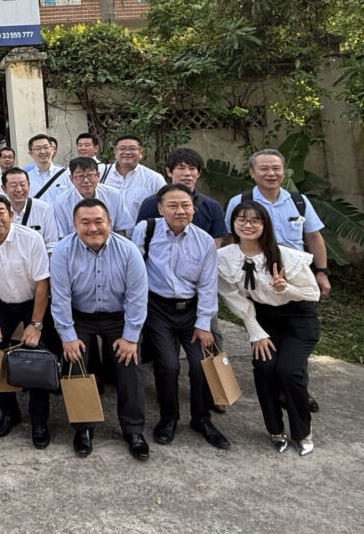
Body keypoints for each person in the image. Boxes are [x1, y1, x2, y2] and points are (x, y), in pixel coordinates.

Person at [132, 185, 230, 450]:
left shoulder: (204, 241)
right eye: (172, 205)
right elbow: (135, 269)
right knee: (168, 365)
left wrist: (203, 323)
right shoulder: (146, 230)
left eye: (186, 205)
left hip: (191, 309)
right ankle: (169, 418)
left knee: (200, 365)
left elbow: (208, 286)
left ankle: (201, 419)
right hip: (158, 308)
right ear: (160, 208)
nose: (180, 211)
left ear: (193, 209)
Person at [50, 199, 149, 461]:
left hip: (118, 316)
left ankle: (133, 430)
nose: (93, 228)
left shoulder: (128, 250)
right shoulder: (62, 251)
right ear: (74, 225)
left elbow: (137, 297)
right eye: (85, 222)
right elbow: (60, 298)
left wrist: (131, 337)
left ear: (110, 223)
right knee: (75, 364)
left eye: (98, 221)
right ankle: (83, 428)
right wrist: (68, 336)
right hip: (79, 316)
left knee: (129, 366)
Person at [219, 202, 320, 454]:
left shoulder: (285, 256)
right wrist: (255, 331)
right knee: (264, 368)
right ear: (233, 223)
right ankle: (275, 429)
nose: (248, 225)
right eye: (241, 219)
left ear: (265, 225)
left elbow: (313, 293)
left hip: (298, 318)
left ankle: (302, 431)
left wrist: (286, 288)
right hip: (263, 318)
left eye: (255, 220)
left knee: (289, 370)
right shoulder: (224, 257)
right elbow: (232, 296)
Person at [0, 194, 54, 448]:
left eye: (0, 212)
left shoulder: (31, 239)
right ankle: (9, 412)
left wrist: (35, 324)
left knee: (36, 354)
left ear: (11, 215)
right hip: (2, 303)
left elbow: (43, 284)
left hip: (33, 302)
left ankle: (39, 421)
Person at [223, 149, 329, 298]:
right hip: (257, 273)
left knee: (303, 310)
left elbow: (314, 237)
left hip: (295, 272)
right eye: (264, 169)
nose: (271, 173)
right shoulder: (239, 202)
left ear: (284, 172)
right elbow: (232, 239)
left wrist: (322, 272)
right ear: (252, 172)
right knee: (259, 311)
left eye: (276, 168)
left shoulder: (299, 201)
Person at [135, 149, 227, 244]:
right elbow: (141, 236)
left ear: (198, 173)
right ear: (169, 171)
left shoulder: (212, 207)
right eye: (181, 168)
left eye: (192, 169)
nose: (187, 173)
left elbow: (216, 242)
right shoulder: (151, 203)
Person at [53, 157, 134, 238]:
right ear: (71, 179)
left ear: (98, 176)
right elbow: (63, 236)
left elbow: (121, 229)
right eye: (80, 176)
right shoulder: (62, 202)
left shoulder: (113, 195)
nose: (86, 180)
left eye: (90, 175)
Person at [99, 136, 167, 223]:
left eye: (132, 148)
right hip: (105, 230)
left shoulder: (154, 179)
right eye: (122, 148)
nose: (127, 152)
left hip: (140, 231)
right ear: (115, 152)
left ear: (141, 153)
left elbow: (165, 206)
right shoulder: (100, 173)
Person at [1, 167, 59, 254]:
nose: (19, 189)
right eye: (13, 185)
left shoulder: (44, 209)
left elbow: (51, 244)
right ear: (4, 188)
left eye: (22, 184)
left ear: (28, 185)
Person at [22, 134, 69, 204]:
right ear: (30, 153)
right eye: (38, 148)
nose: (43, 151)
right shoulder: (26, 178)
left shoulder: (66, 175)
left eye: (46, 147)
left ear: (52, 150)